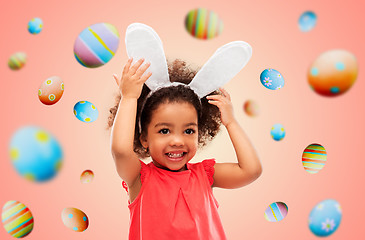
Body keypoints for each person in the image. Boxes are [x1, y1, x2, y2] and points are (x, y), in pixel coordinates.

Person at [108, 23, 262, 240]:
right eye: (164, 131)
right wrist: (129, 97)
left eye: (189, 131)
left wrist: (232, 123)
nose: (178, 141)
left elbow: (251, 171)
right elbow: (121, 151)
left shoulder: (205, 175)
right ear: (144, 139)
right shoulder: (140, 178)